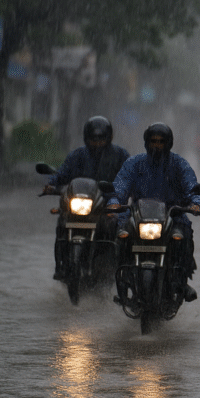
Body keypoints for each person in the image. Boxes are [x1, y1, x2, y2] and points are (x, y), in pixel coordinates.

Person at [111, 123, 200, 300]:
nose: (157, 145)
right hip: (138, 216)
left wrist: (196, 203)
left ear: (168, 144)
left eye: (161, 142)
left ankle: (181, 280)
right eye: (153, 141)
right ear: (147, 142)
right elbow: (120, 186)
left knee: (183, 236)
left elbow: (191, 187)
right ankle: (123, 279)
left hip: (172, 216)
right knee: (122, 236)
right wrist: (115, 201)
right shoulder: (134, 163)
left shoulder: (179, 164)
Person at [43, 116, 130, 280]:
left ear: (109, 137)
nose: (97, 142)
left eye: (101, 138)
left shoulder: (120, 155)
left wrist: (128, 190)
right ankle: (60, 265)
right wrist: (52, 185)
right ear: (86, 137)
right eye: (93, 138)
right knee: (62, 221)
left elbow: (130, 176)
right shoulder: (77, 155)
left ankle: (120, 269)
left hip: (107, 201)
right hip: (82, 202)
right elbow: (62, 174)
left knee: (118, 225)